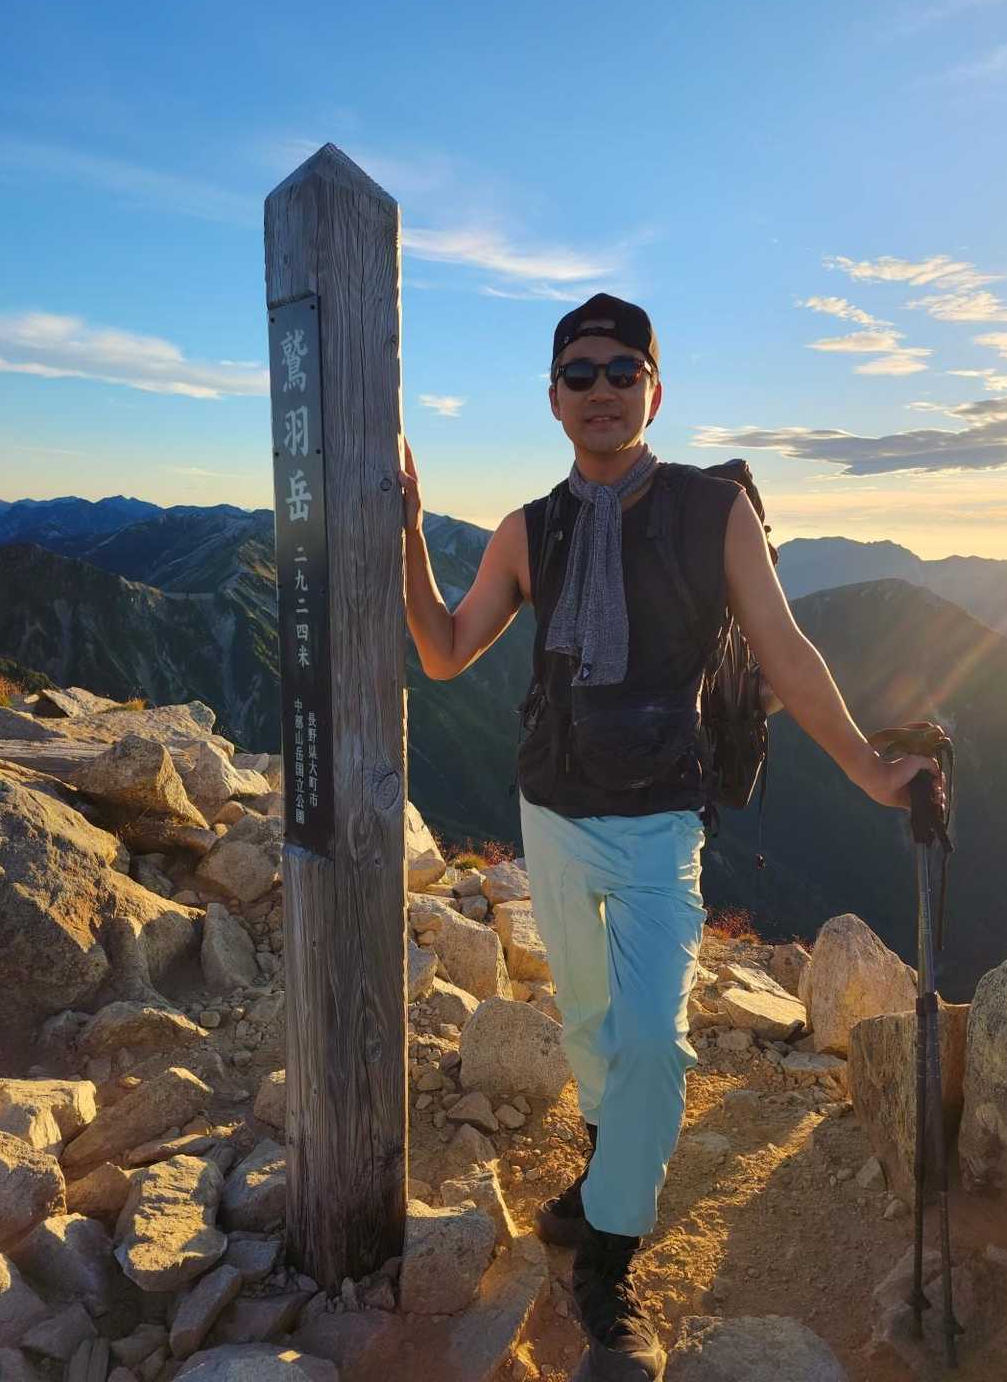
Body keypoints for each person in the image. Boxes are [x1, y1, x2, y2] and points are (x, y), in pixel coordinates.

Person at [398, 294, 943, 1382]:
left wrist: (871, 772)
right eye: (581, 374)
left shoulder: (712, 511)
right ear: (554, 398)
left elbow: (785, 650)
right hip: (552, 814)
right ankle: (602, 1181)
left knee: (650, 1038)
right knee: (591, 1027)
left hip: (659, 823)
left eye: (622, 371)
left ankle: (607, 1265)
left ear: (656, 390)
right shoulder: (528, 530)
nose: (601, 390)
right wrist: (408, 537)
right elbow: (447, 651)